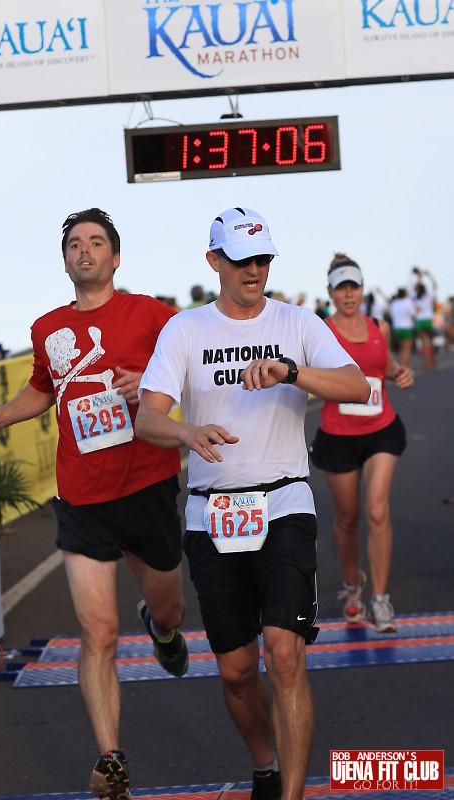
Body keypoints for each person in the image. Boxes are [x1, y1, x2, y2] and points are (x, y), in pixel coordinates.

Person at [134, 208, 370, 800]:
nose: (255, 271)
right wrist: (188, 433)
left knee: (285, 653)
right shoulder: (185, 330)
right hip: (211, 512)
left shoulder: (298, 321)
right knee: (238, 673)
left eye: (263, 259)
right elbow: (147, 417)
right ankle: (265, 764)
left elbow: (357, 385)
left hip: (285, 501)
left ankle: (289, 794)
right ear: (215, 261)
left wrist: (293, 371)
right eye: (242, 260)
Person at [0, 208, 189, 799]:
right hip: (82, 495)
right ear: (66, 260)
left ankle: (159, 629)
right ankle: (111, 759)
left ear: (115, 257)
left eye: (97, 242)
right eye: (75, 244)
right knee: (98, 634)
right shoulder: (47, 328)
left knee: (171, 611)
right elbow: (41, 388)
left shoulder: (151, 314)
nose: (85, 251)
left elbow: (191, 366)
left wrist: (152, 383)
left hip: (148, 485)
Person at [309, 253, 414, 634]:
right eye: (341, 288)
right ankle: (353, 585)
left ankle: (381, 599)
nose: (349, 294)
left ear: (362, 289)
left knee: (376, 511)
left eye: (354, 286)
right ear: (331, 292)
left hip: (381, 429)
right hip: (338, 434)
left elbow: (384, 367)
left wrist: (401, 374)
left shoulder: (379, 327)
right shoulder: (320, 330)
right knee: (348, 518)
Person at [389, 288, 415, 368]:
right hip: (406, 328)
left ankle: (400, 366)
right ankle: (404, 368)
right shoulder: (408, 302)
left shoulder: (394, 303)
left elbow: (391, 315)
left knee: (400, 349)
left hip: (397, 328)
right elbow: (413, 314)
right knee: (407, 350)